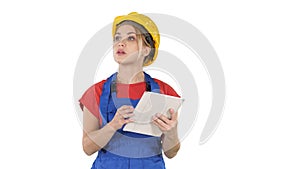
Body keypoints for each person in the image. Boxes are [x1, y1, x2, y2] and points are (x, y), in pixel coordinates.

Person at [79, 12, 181, 169]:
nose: (120, 43)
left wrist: (171, 132)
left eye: (131, 38)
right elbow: (87, 147)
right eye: (117, 38)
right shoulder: (96, 92)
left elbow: (171, 152)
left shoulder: (165, 91)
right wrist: (113, 125)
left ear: (147, 49)